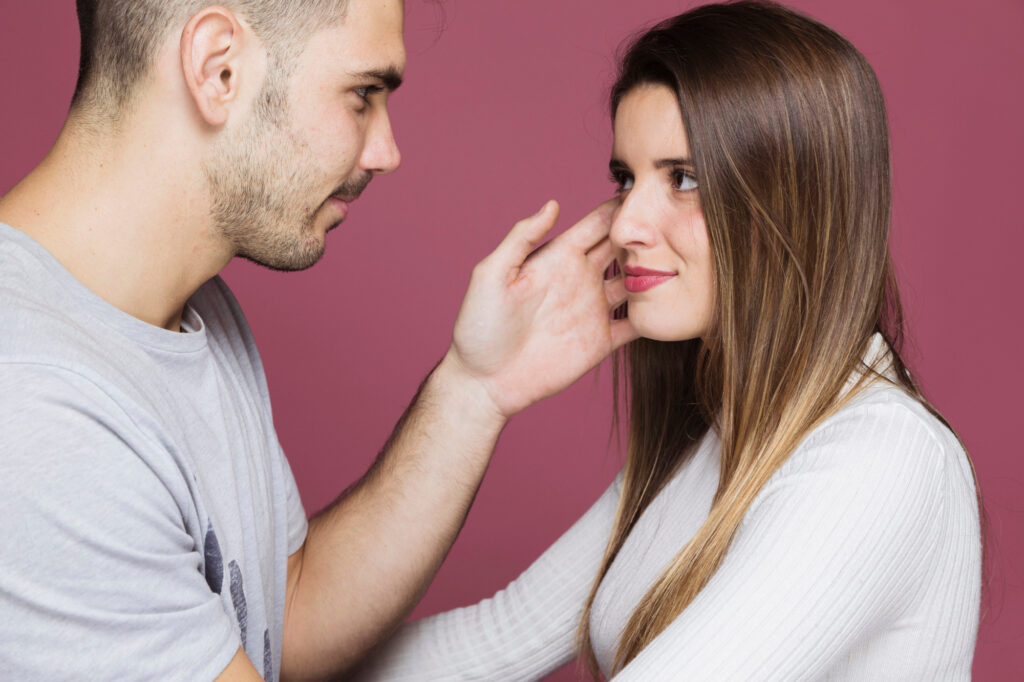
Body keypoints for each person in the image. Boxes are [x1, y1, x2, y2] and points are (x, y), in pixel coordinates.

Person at [0, 1, 639, 680]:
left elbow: (285, 621)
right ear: (217, 69)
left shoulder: (193, 312)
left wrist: (477, 389)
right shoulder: (36, 411)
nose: (386, 152)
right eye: (363, 94)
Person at [352, 2, 984, 680]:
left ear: (791, 200)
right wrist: (478, 379)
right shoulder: (716, 438)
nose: (626, 225)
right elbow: (492, 641)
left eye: (683, 179)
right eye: (627, 179)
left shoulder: (883, 457)